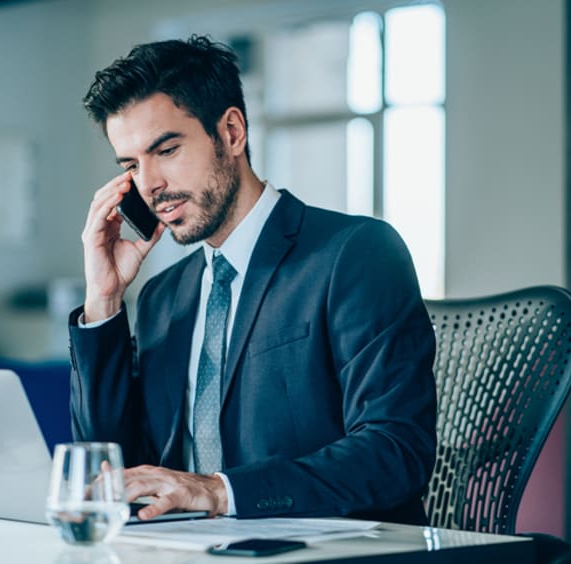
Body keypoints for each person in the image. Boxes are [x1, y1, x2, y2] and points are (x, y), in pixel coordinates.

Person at [69, 35, 437, 525]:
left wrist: (220, 492)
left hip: (329, 550)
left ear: (232, 132)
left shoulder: (354, 253)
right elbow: (116, 468)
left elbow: (396, 452)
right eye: (132, 165)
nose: (149, 184)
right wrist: (104, 300)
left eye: (168, 150)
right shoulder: (164, 297)